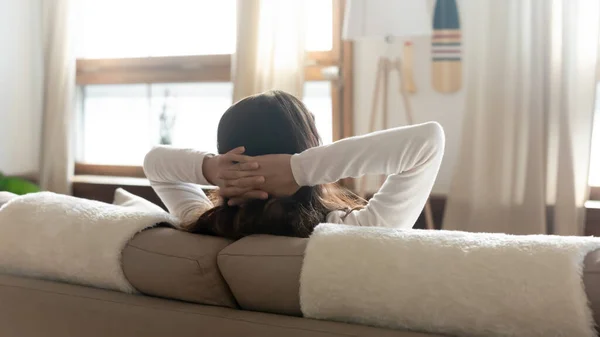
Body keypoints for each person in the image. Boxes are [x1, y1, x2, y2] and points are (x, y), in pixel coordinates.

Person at [143, 90, 445, 239]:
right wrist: (298, 170)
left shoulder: (205, 224)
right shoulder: (349, 232)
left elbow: (154, 162)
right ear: (308, 148)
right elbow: (428, 141)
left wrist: (210, 168)